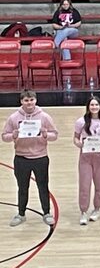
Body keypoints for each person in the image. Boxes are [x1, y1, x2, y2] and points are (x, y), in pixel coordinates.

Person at [3, 90, 58, 227]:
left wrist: (46, 135)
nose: (29, 103)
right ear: (21, 101)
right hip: (21, 158)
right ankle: (21, 214)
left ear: (35, 100)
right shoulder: (14, 118)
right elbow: (4, 136)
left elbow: (55, 135)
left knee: (43, 186)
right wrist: (13, 136)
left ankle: (47, 213)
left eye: (31, 100)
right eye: (26, 100)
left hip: (40, 157)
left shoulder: (44, 117)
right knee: (22, 187)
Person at [72, 96, 100, 225]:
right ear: (88, 107)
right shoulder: (81, 122)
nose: (94, 107)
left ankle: (96, 209)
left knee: (99, 185)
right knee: (84, 185)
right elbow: (75, 138)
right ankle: (83, 211)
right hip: (85, 156)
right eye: (92, 105)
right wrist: (79, 144)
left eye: (96, 105)